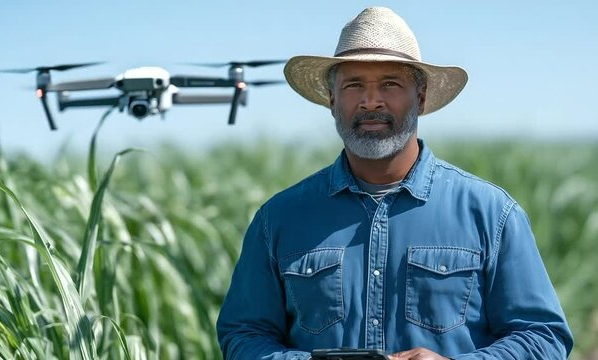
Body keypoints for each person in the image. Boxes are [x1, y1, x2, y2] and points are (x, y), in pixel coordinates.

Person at [217, 7, 573, 360]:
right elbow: (244, 335)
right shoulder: (280, 218)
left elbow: (543, 338)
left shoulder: (491, 214)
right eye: (354, 85)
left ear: (419, 98)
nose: (371, 101)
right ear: (332, 100)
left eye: (390, 84)